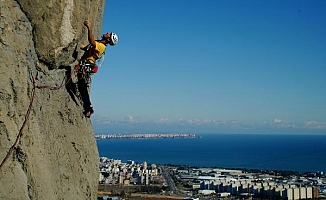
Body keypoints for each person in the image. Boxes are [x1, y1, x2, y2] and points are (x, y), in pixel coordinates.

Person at [77, 20, 118, 118]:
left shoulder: (101, 46)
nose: (107, 33)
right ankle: (88, 108)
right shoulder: (99, 43)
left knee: (82, 87)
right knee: (82, 86)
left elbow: (91, 42)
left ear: (109, 39)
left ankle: (88, 109)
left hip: (87, 65)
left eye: (109, 34)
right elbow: (87, 47)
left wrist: (89, 28)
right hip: (86, 65)